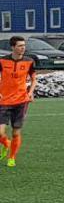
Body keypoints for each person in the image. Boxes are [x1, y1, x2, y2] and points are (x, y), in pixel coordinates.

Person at [0, 36, 37, 168]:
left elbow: (34, 79)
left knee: (16, 132)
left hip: (21, 101)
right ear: (13, 47)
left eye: (24, 45)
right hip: (4, 101)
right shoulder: (2, 61)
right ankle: (6, 143)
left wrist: (30, 92)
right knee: (0, 132)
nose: (23, 48)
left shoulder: (29, 61)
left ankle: (12, 158)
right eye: (20, 46)